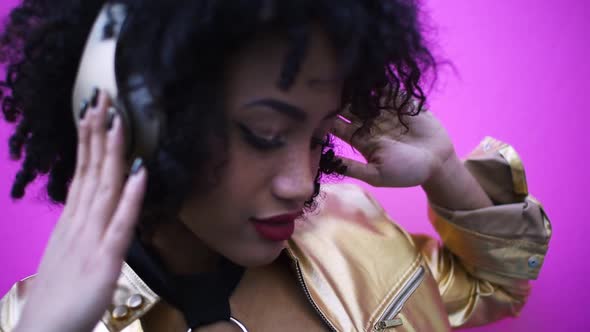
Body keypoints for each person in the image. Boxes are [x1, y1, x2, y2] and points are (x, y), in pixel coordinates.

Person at [0, 0, 552, 331]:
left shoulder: (351, 224)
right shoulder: (39, 316)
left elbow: (494, 289)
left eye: (316, 136)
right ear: (145, 123)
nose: (301, 182)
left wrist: (444, 168)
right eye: (264, 135)